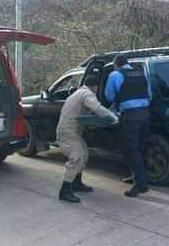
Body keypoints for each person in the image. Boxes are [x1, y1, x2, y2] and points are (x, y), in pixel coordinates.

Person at [57, 75, 119, 203]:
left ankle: (76, 183)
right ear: (95, 87)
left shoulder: (78, 93)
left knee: (84, 154)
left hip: (70, 130)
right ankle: (65, 190)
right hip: (68, 131)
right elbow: (96, 108)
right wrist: (113, 117)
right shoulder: (87, 93)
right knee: (77, 157)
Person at [105, 54, 152, 198]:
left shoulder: (115, 74)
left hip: (131, 116)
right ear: (128, 63)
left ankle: (140, 185)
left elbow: (109, 96)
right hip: (146, 114)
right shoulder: (141, 72)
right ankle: (138, 177)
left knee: (132, 150)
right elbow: (149, 94)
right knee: (142, 147)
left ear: (116, 65)